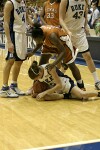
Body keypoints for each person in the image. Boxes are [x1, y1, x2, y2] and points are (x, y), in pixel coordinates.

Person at [27, 24, 86, 92]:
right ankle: (35, 86)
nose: (36, 42)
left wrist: (54, 64)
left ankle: (81, 85)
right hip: (50, 43)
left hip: (63, 44)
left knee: (71, 65)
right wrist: (32, 52)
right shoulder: (39, 31)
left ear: (41, 36)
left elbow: (63, 52)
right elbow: (40, 42)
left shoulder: (52, 35)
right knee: (41, 64)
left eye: (37, 40)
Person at [59, 0, 100, 90]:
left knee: (87, 56)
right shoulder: (65, 1)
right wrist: (67, 31)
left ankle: (97, 81)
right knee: (67, 61)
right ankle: (60, 80)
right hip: (67, 32)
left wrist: (85, 26)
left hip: (79, 33)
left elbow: (85, 16)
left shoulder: (84, 1)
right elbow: (61, 19)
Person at [0, 0, 34, 98]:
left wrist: (35, 25)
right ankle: (4, 88)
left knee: (19, 61)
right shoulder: (9, 3)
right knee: (10, 60)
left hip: (22, 33)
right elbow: (5, 23)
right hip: (13, 34)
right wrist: (9, 41)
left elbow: (27, 17)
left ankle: (14, 85)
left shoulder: (23, 2)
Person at [28, 61, 100, 101]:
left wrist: (44, 92)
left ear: (39, 73)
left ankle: (98, 94)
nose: (37, 80)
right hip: (55, 88)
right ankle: (66, 96)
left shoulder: (49, 68)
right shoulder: (37, 73)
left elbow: (59, 85)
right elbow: (36, 84)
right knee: (44, 97)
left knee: (83, 96)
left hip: (65, 84)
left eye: (37, 78)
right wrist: (33, 91)